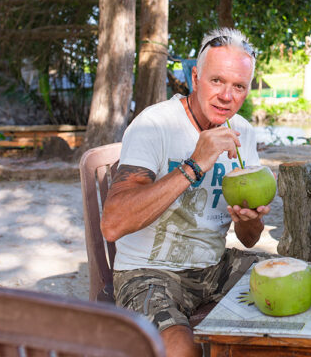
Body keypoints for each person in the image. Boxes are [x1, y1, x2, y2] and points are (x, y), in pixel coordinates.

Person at [101, 28, 268, 357]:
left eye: (239, 86)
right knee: (181, 350)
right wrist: (195, 164)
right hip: (147, 271)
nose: (226, 96)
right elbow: (113, 224)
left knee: (292, 288)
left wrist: (248, 219)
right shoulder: (155, 124)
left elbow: (249, 238)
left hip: (214, 266)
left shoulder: (242, 132)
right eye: (216, 81)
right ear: (195, 77)